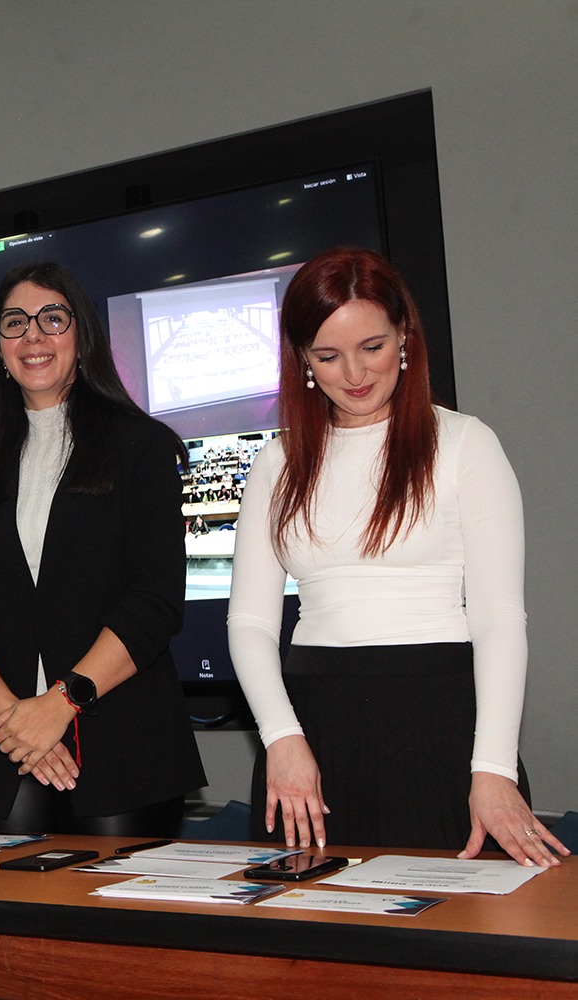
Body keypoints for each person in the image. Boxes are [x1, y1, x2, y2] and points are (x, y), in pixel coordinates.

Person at [227, 246, 567, 866]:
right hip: (311, 732)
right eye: (328, 356)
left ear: (404, 335)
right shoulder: (276, 462)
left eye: (373, 346)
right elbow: (250, 621)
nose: (354, 372)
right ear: (302, 359)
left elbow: (498, 618)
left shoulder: (465, 443)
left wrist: (493, 768)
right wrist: (281, 737)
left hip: (442, 721)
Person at [0, 261, 205, 836]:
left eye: (52, 319)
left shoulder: (140, 446)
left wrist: (58, 706)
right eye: (15, 323)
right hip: (5, 749)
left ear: (81, 336)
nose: (32, 335)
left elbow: (154, 601)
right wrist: (13, 719)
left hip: (123, 747)